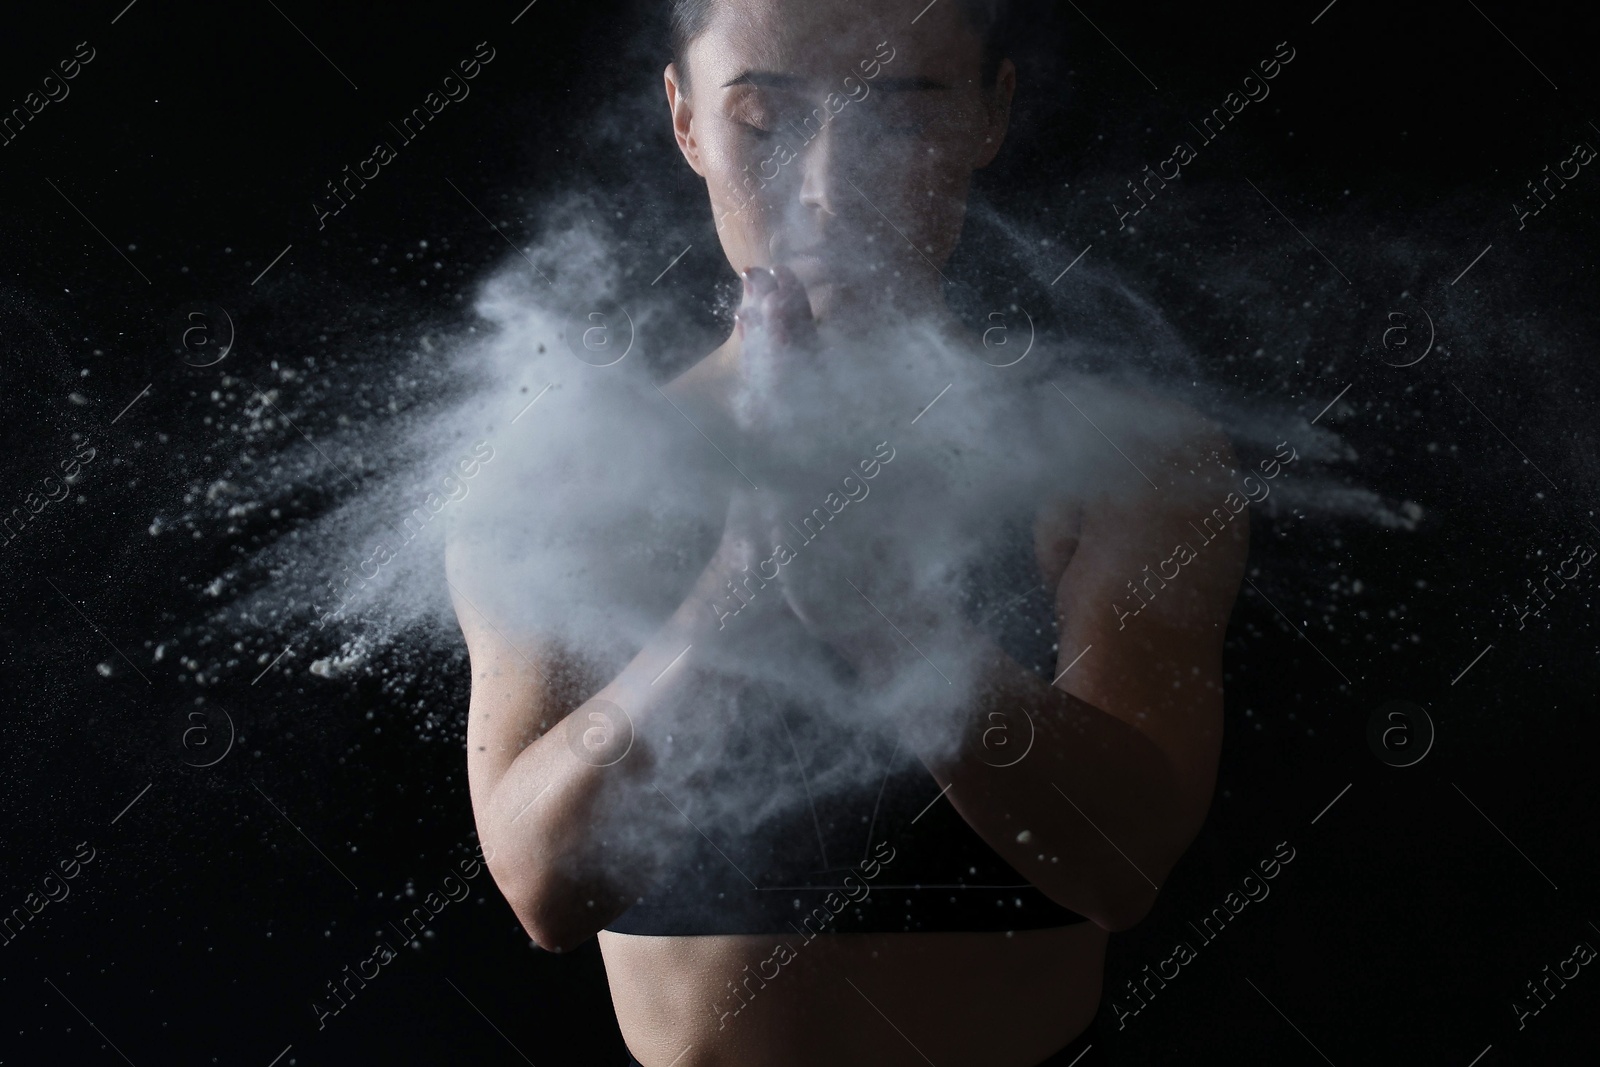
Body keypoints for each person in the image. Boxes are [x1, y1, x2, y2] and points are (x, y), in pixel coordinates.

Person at [449, 0, 1247, 1063]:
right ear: (686, 121)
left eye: (903, 115)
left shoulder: (1123, 459)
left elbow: (1121, 864)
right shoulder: (567, 478)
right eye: (763, 121)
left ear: (986, 115)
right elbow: (545, 884)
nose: (830, 189)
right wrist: (743, 578)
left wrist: (880, 613)